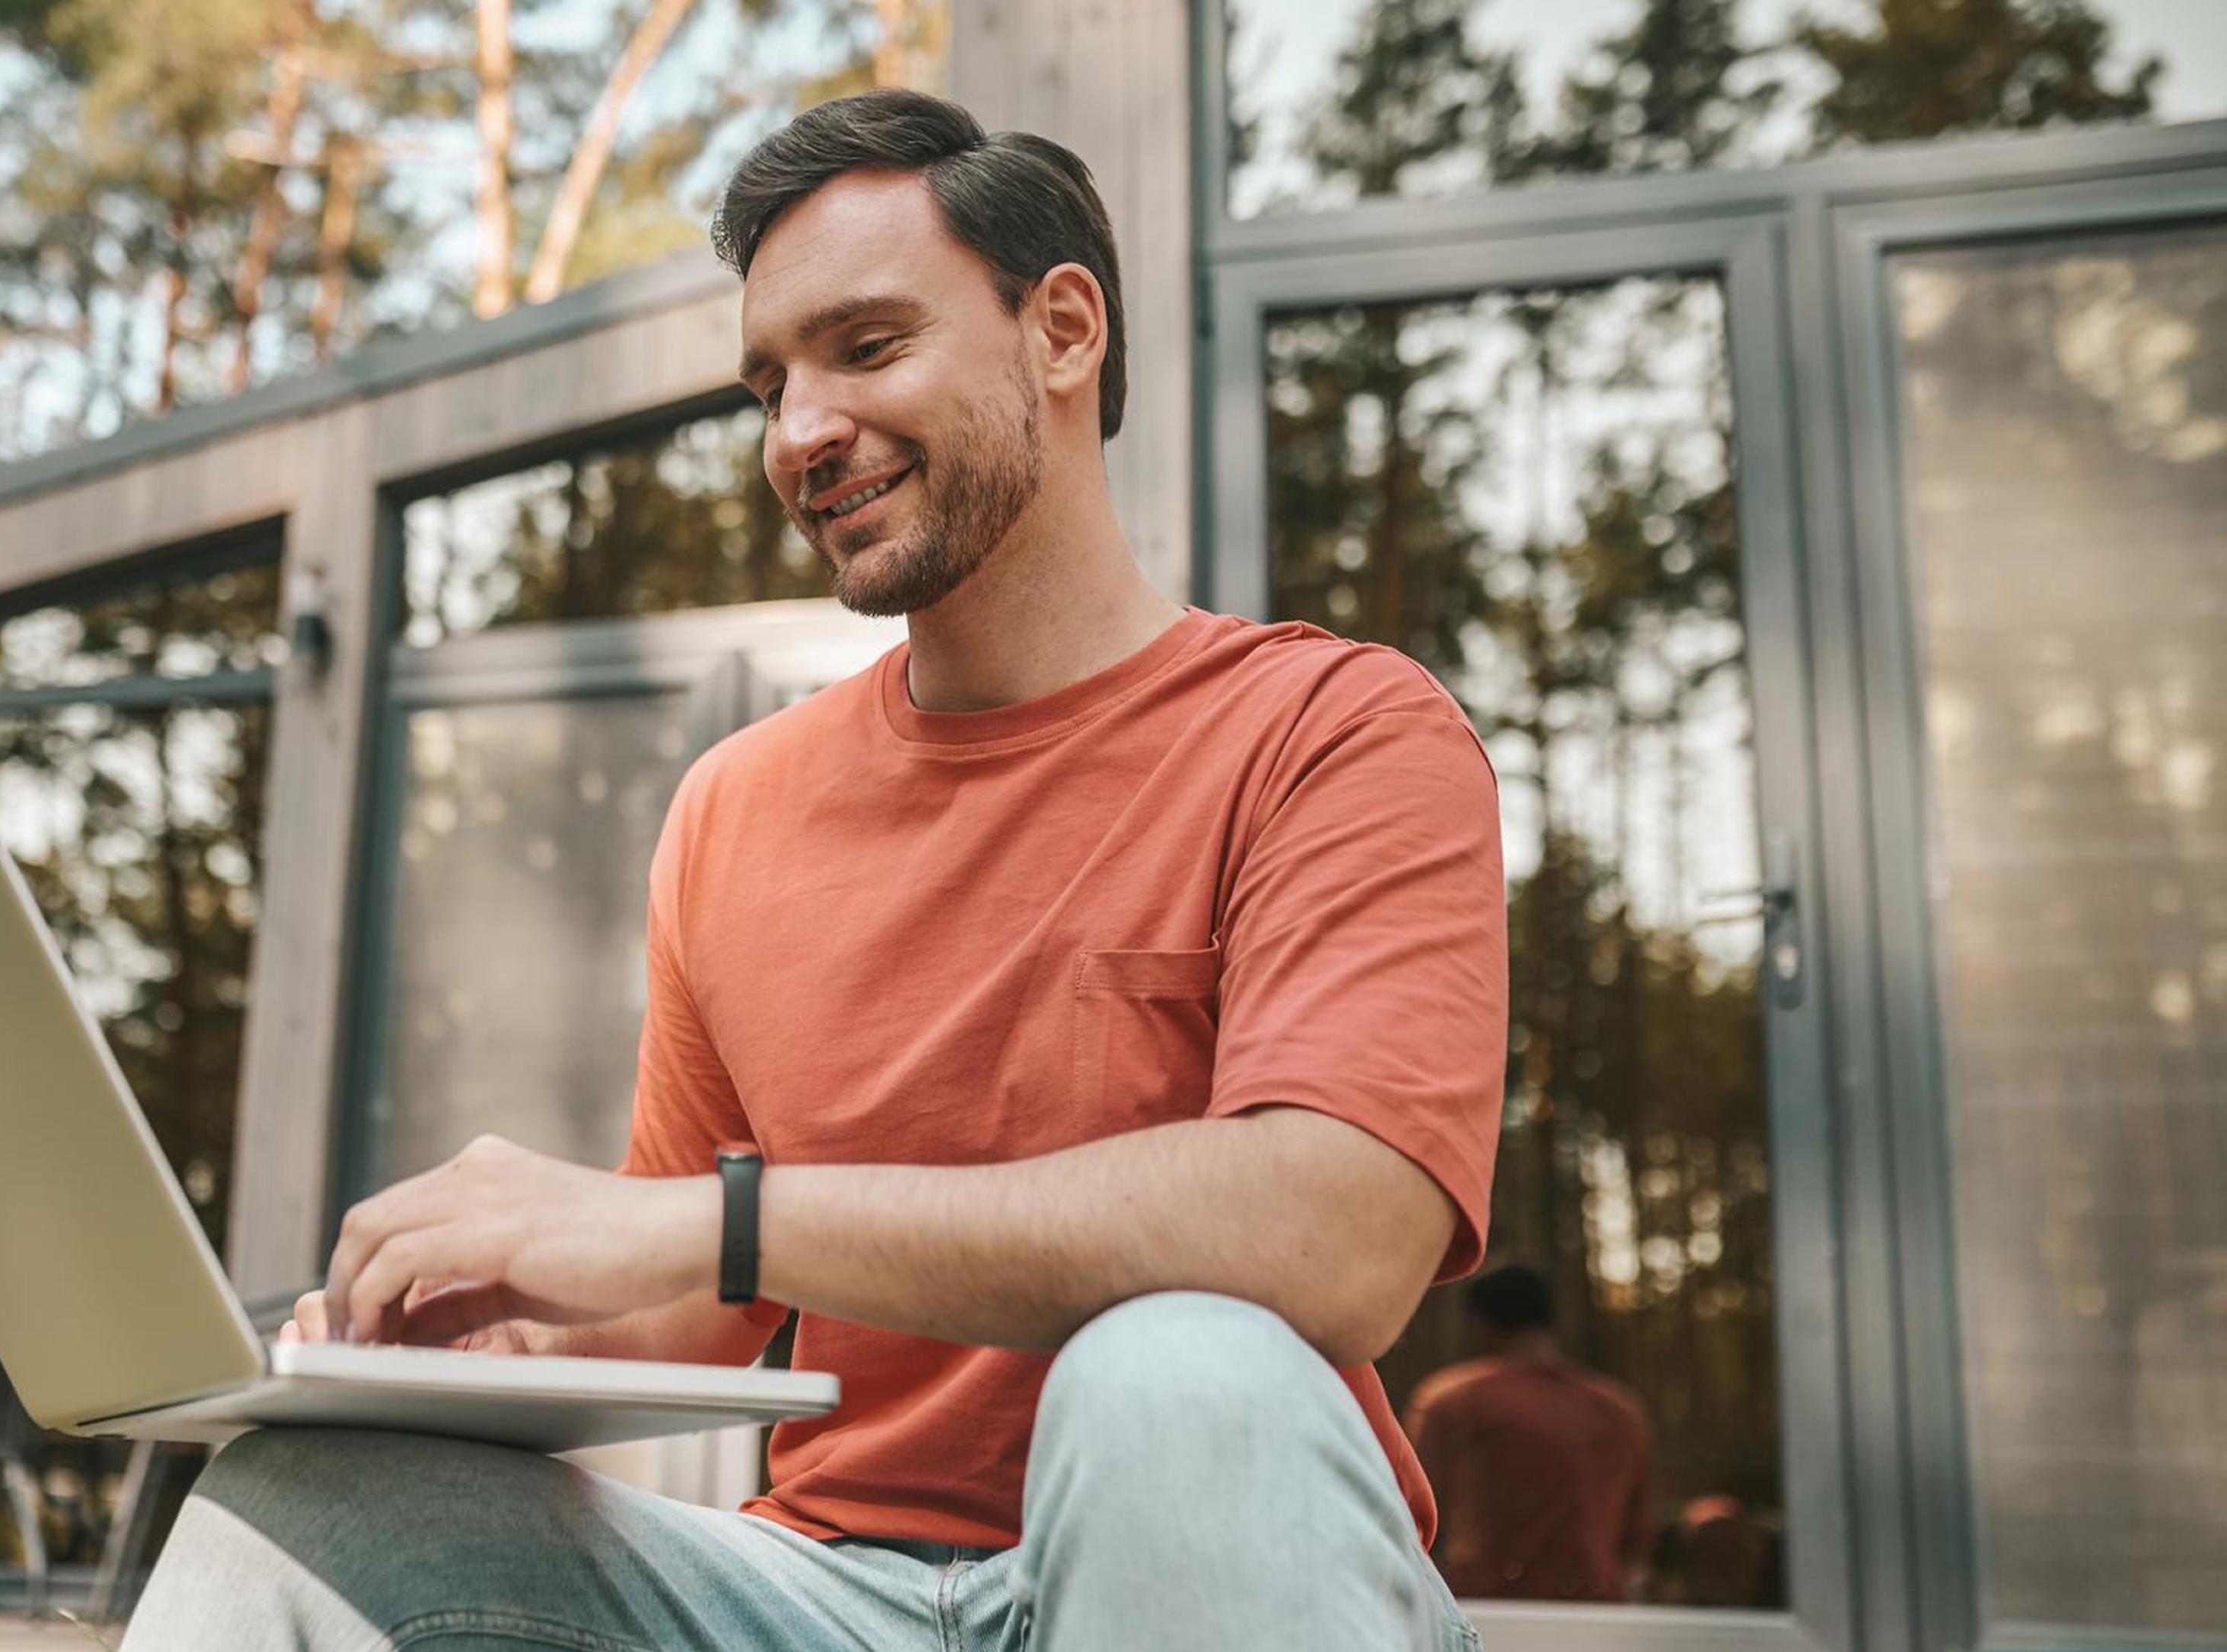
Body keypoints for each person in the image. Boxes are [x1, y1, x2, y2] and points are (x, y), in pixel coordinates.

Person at [122, 87, 1507, 1652]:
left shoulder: (1332, 729)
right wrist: (497, 1320)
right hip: (825, 1591)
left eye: (865, 347)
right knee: (306, 1493)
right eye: (767, 385)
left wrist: (718, 1222)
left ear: (1062, 330)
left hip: (1224, 1564)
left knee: (1177, 1366)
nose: (798, 435)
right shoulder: (738, 804)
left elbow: (1339, 1234)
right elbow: (697, 1296)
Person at [1403, 1265, 1657, 1603]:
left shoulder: (1452, 1401)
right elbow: (1637, 1538)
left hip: (1486, 1617)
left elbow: (1409, 1518)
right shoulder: (1619, 1410)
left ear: (1482, 1322)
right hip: (1597, 1616)